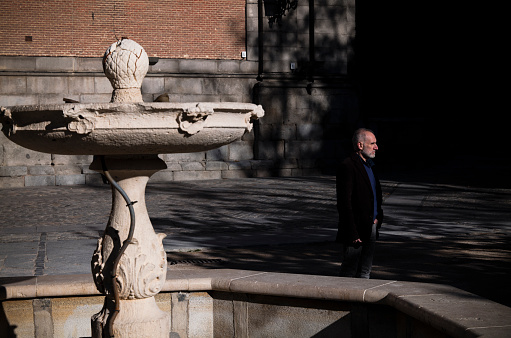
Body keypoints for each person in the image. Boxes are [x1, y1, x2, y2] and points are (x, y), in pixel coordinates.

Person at [336, 128, 383, 278]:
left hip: (371, 226)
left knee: (365, 270)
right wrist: (352, 231)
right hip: (356, 228)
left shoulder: (370, 165)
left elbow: (375, 194)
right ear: (360, 145)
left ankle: (362, 301)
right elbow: (345, 203)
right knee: (349, 270)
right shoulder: (348, 166)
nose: (376, 147)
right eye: (372, 143)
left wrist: (377, 218)